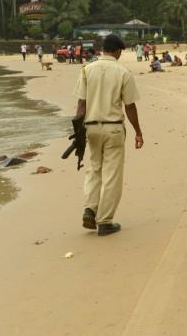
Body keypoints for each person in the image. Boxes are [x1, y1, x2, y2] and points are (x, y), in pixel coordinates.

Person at [74, 34, 143, 236]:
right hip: (113, 128)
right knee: (112, 174)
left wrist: (78, 131)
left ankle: (90, 208)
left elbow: (81, 104)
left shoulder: (86, 70)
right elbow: (129, 106)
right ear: (118, 51)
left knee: (94, 169)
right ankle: (104, 221)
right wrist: (138, 131)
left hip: (91, 127)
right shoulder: (123, 72)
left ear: (103, 49)